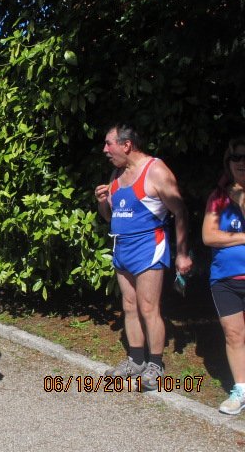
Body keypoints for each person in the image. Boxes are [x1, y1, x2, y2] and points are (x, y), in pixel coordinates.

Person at [94, 123, 193, 391]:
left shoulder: (156, 170)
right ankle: (135, 360)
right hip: (122, 247)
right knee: (129, 306)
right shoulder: (117, 173)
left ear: (126, 145)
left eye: (109, 144)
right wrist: (102, 202)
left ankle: (155, 365)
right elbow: (110, 217)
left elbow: (180, 211)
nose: (105, 150)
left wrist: (182, 253)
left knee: (149, 307)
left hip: (149, 247)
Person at [202, 137, 245, 414]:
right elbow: (208, 236)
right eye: (236, 158)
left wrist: (240, 199)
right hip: (225, 279)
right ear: (228, 163)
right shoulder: (217, 197)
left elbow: (219, 235)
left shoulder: (234, 197)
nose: (241, 163)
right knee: (233, 335)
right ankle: (241, 389)